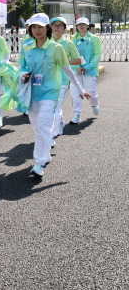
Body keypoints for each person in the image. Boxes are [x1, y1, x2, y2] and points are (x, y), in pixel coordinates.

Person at [17, 13, 90, 178]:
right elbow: (21, 66)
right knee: (37, 127)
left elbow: (67, 69)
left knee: (43, 127)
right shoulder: (27, 46)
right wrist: (21, 75)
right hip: (32, 94)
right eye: (33, 27)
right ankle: (45, 154)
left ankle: (39, 162)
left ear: (47, 29)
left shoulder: (57, 48)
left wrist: (79, 89)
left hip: (50, 93)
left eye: (40, 27)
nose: (37, 30)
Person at [49, 16, 82, 140]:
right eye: (54, 25)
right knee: (51, 106)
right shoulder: (46, 42)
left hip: (62, 80)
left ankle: (52, 135)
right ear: (50, 27)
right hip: (47, 80)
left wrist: (65, 61)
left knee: (56, 106)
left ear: (64, 28)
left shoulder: (68, 43)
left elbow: (78, 60)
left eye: (60, 25)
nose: (57, 27)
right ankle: (60, 122)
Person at [69, 17, 102, 124]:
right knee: (75, 93)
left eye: (84, 24)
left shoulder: (95, 39)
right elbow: (69, 55)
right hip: (76, 71)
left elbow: (96, 56)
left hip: (90, 71)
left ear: (88, 26)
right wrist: (76, 67)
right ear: (76, 27)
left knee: (91, 91)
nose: (81, 26)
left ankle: (94, 105)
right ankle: (76, 114)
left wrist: (86, 68)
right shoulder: (73, 39)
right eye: (79, 25)